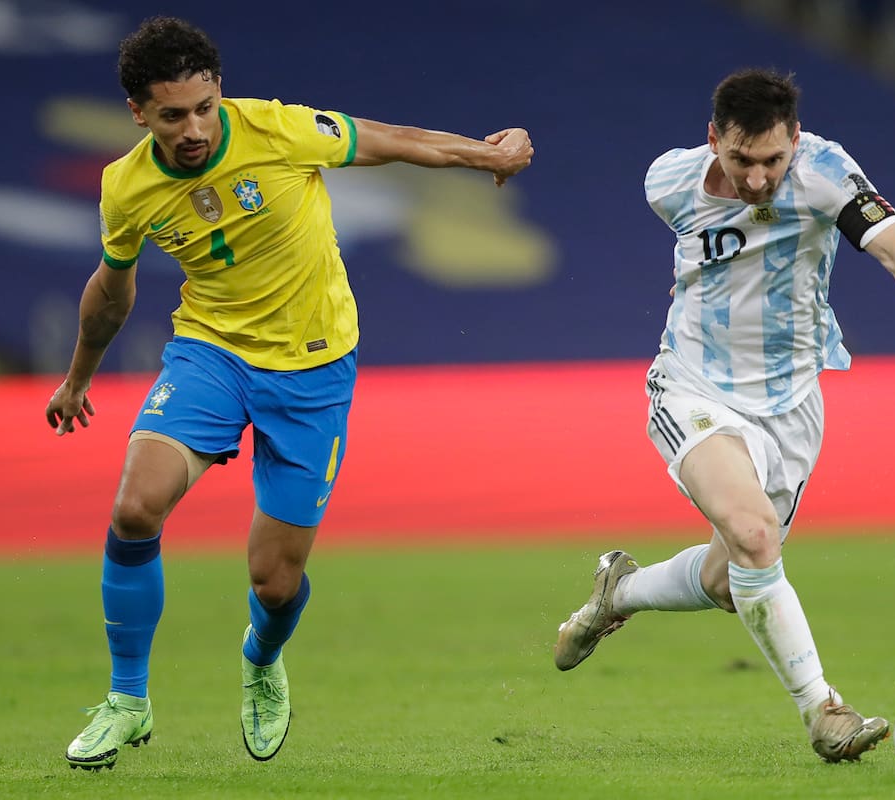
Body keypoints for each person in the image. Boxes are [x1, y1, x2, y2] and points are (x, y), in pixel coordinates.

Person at [45, 16, 532, 771]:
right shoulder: (126, 186)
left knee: (274, 584)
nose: (196, 128)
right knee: (135, 507)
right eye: (173, 115)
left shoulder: (277, 128)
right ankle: (128, 702)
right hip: (210, 353)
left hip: (312, 370)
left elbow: (393, 139)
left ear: (219, 93)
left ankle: (262, 659)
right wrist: (78, 378)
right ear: (139, 114)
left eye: (205, 106)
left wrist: (486, 154)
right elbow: (111, 293)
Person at [552, 68, 895, 762]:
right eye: (740, 159)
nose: (756, 178)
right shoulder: (670, 182)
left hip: (792, 405)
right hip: (693, 387)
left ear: (795, 141)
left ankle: (617, 593)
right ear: (713, 139)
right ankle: (824, 712)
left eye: (772, 160)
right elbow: (700, 248)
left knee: (727, 579)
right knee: (754, 535)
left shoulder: (827, 174)